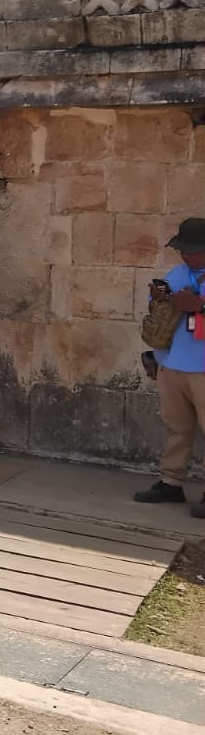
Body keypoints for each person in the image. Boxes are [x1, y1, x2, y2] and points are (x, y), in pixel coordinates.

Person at [133, 218, 205, 514]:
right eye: (183, 250)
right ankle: (170, 481)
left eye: (192, 250)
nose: (185, 255)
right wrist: (160, 294)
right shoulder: (181, 272)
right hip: (173, 363)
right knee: (177, 426)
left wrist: (199, 307)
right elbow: (159, 300)